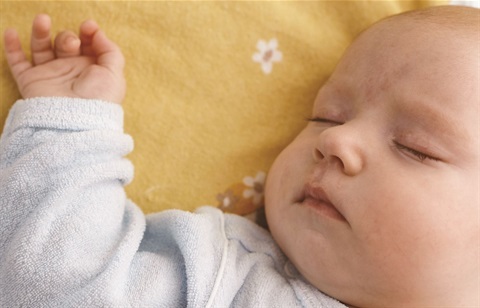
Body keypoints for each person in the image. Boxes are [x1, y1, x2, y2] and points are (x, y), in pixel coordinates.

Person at [0, 5, 478, 307]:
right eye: (327, 116)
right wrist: (70, 125)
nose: (336, 141)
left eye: (416, 148)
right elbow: (58, 282)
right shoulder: (228, 278)